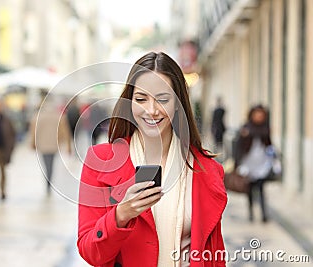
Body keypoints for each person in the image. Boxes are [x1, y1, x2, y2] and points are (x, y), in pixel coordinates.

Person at [77, 52, 227, 267]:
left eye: (162, 99)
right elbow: (91, 252)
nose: (152, 110)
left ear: (178, 103)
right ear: (130, 103)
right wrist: (121, 214)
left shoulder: (206, 169)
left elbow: (215, 255)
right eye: (141, 99)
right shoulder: (100, 160)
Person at [234, 104, 273, 223]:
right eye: (257, 114)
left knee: (261, 188)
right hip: (248, 163)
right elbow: (239, 146)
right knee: (249, 189)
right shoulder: (246, 127)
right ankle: (251, 212)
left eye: (261, 115)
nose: (259, 117)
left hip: (262, 163)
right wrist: (237, 163)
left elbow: (269, 145)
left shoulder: (265, 128)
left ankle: (263, 214)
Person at [30, 96, 72, 194]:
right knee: (51, 164)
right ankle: (49, 180)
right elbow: (65, 131)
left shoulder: (38, 116)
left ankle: (47, 181)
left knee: (46, 163)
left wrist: (33, 143)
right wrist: (68, 145)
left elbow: (34, 131)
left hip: (42, 144)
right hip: (54, 144)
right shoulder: (59, 116)